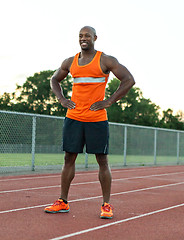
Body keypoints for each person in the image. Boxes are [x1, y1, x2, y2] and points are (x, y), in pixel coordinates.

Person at [45, 26, 135, 219]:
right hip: (74, 117)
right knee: (69, 158)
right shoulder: (70, 62)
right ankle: (63, 202)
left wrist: (109, 101)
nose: (83, 38)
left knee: (102, 161)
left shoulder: (106, 60)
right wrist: (61, 99)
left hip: (96, 119)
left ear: (95, 37)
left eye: (87, 35)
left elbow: (128, 80)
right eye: (80, 36)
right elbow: (54, 79)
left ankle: (106, 204)